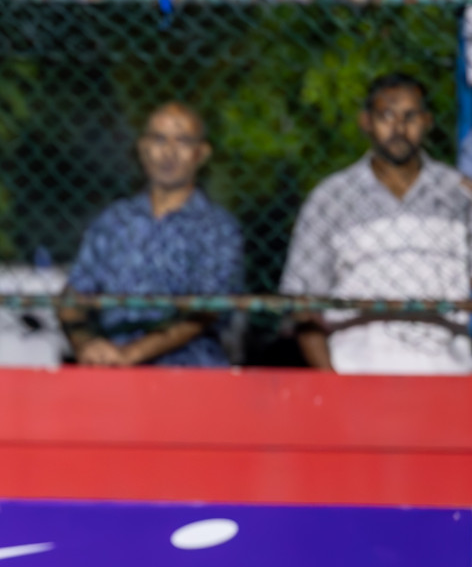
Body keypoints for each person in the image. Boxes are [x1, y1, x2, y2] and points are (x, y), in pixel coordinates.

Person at [281, 73, 472, 374]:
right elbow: (302, 302)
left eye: (410, 116)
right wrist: (332, 384)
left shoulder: (460, 196)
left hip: (449, 374)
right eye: (387, 116)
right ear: (366, 122)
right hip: (357, 372)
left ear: (427, 121)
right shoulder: (331, 199)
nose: (399, 128)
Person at [61, 103, 243, 367]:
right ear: (142, 148)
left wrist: (131, 355)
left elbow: (206, 311)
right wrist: (88, 346)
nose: (168, 152)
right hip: (111, 368)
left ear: (201, 153)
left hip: (191, 372)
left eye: (182, 141)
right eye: (159, 139)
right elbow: (71, 300)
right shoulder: (114, 221)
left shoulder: (218, 228)